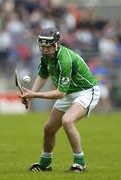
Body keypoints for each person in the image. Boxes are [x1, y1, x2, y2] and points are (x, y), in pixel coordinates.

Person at [18, 27, 101, 172]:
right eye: (42, 46)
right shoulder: (46, 57)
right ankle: (45, 164)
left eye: (48, 47)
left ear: (56, 44)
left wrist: (34, 95)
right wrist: (31, 93)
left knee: (68, 121)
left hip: (86, 91)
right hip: (69, 92)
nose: (45, 50)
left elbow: (60, 93)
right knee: (49, 128)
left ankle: (80, 163)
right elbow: (43, 76)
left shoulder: (64, 59)